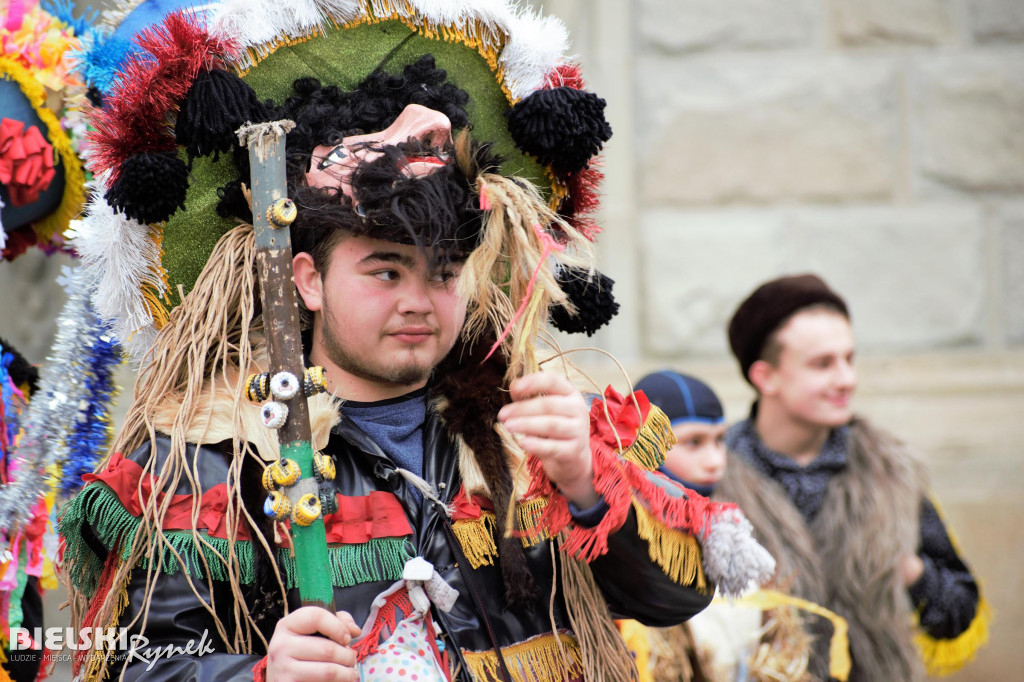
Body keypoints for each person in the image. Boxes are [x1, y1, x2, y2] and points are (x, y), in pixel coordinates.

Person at [57, 2, 773, 681]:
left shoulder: (534, 420)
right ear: (306, 279)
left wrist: (586, 484)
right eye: (385, 270)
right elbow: (131, 660)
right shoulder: (208, 452)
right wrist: (261, 673)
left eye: (444, 272)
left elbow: (677, 599)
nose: (418, 302)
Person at [719, 273, 989, 681]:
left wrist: (908, 570)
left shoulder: (890, 472)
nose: (847, 379)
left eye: (849, 359)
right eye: (823, 364)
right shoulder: (714, 477)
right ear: (765, 376)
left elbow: (959, 610)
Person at [621, 371, 849, 682]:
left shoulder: (732, 529)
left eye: (719, 441)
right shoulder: (620, 536)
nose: (715, 460)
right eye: (693, 442)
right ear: (643, 444)